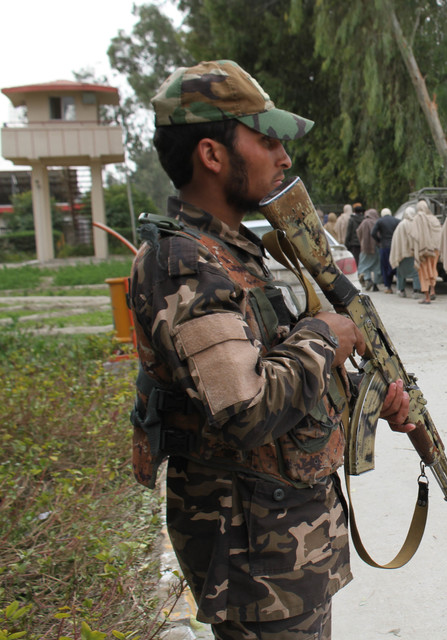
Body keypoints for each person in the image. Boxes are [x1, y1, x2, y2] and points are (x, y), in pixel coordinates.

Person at [131, 60, 413, 639]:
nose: (284, 158)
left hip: (283, 548)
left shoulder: (232, 253)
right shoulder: (184, 264)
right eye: (267, 141)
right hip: (256, 564)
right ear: (212, 154)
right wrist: (327, 336)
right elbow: (246, 408)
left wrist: (363, 394)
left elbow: (269, 367)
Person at [410, 199, 442, 304]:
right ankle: (432, 290)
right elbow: (439, 234)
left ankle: (427, 297)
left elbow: (414, 235)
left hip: (423, 251)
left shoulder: (418, 219)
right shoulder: (434, 219)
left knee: (424, 272)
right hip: (434, 250)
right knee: (432, 270)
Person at [389, 205, 420, 297]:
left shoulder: (401, 225)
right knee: (416, 273)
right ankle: (416, 291)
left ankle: (401, 290)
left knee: (401, 273)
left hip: (402, 254)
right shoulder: (416, 224)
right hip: (413, 254)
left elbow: (396, 240)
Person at [372, 207, 400, 294]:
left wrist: (379, 240)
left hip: (384, 246)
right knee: (395, 265)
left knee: (385, 266)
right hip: (395, 246)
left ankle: (388, 287)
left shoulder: (380, 221)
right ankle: (400, 286)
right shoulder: (397, 221)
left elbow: (373, 233)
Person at [356, 208, 381, 291]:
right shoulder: (377, 221)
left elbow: (358, 231)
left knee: (364, 265)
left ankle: (368, 279)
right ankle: (375, 285)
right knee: (377, 266)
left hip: (366, 248)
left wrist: (362, 241)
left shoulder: (364, 222)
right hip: (376, 247)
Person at [343, 202, 364, 266]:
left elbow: (349, 232)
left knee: (355, 259)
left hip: (354, 243)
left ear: (354, 211)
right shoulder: (364, 219)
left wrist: (346, 243)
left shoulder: (352, 220)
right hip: (363, 242)